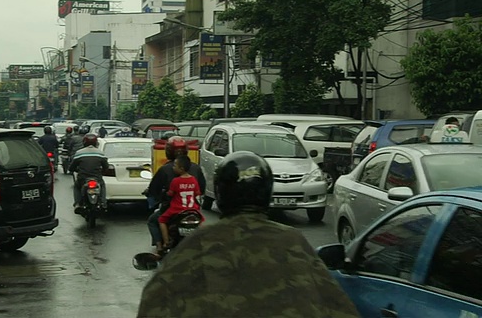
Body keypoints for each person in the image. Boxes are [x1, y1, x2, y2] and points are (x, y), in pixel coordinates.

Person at [137, 151, 360, 318]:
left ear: (222, 194)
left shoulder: (196, 245)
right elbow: (340, 307)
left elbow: (153, 304)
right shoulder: (293, 242)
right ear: (266, 193)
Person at [146, 136, 205, 254]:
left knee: (153, 221)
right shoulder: (195, 169)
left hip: (173, 208)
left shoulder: (166, 170)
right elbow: (201, 189)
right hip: (192, 209)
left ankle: (160, 245)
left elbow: (154, 190)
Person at [159, 154, 203, 248]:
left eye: (175, 166)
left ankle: (166, 242)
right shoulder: (193, 179)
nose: (173, 168)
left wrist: (165, 194)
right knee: (201, 221)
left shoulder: (176, 181)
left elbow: (170, 194)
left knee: (161, 220)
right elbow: (197, 193)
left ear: (181, 168)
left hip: (177, 209)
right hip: (192, 209)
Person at [68, 133, 109, 214]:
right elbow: (106, 166)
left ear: (84, 142)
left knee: (76, 186)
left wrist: (73, 170)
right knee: (102, 185)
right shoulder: (100, 153)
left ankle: (77, 204)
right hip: (97, 177)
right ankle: (103, 203)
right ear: (96, 143)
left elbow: (72, 167)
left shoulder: (79, 153)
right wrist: (103, 172)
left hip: (83, 178)